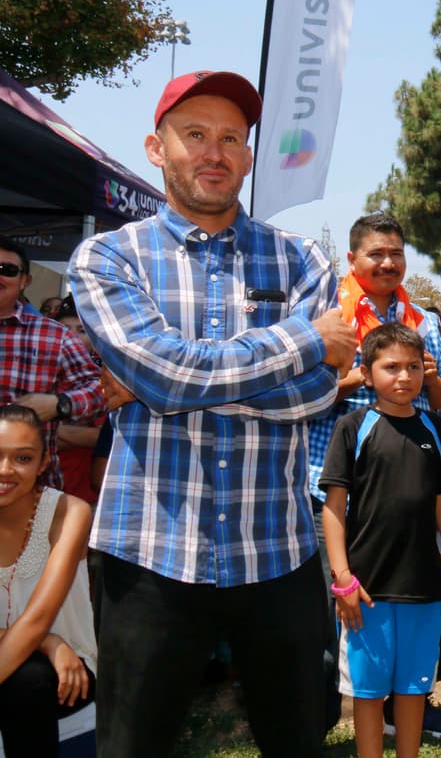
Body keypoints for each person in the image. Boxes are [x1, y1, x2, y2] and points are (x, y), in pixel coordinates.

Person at [68, 70, 359, 757]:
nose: (215, 151)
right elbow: (168, 375)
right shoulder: (109, 257)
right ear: (155, 146)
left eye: (231, 137)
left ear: (249, 156)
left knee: (298, 741)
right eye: (194, 134)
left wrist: (169, 379)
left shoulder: (301, 258)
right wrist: (302, 340)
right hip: (150, 556)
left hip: (278, 554)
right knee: (132, 746)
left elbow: (317, 393)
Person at [305, 211, 441, 739]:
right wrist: (358, 379)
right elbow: (307, 395)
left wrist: (433, 380)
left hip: (410, 477)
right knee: (340, 603)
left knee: (414, 593)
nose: (389, 263)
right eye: (377, 254)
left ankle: (408, 708)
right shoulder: (331, 318)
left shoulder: (424, 323)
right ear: (353, 260)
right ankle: (324, 715)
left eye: (397, 253)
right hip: (334, 477)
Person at [319, 323, 441, 758]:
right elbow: (334, 507)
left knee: (413, 687)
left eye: (414, 367)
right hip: (367, 590)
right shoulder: (352, 427)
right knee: (368, 690)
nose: (404, 376)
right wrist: (342, 577)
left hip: (422, 585)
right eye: (391, 366)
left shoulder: (436, 428)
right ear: (366, 373)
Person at [0, 404, 95, 757]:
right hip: (47, 653)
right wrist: (48, 643)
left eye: (22, 458)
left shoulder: (69, 512)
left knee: (28, 679)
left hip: (67, 672)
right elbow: (41, 633)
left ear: (43, 464)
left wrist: (51, 641)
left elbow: (40, 617)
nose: (5, 470)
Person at [0, 236, 104, 490]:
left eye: (8, 270)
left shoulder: (55, 336)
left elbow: (100, 390)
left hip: (33, 489)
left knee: (41, 531)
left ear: (25, 280)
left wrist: (61, 404)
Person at [50, 299, 105, 507]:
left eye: (81, 330)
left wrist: (45, 429)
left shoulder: (103, 380)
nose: (72, 337)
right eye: (64, 329)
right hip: (37, 489)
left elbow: (102, 437)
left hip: (80, 495)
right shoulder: (38, 373)